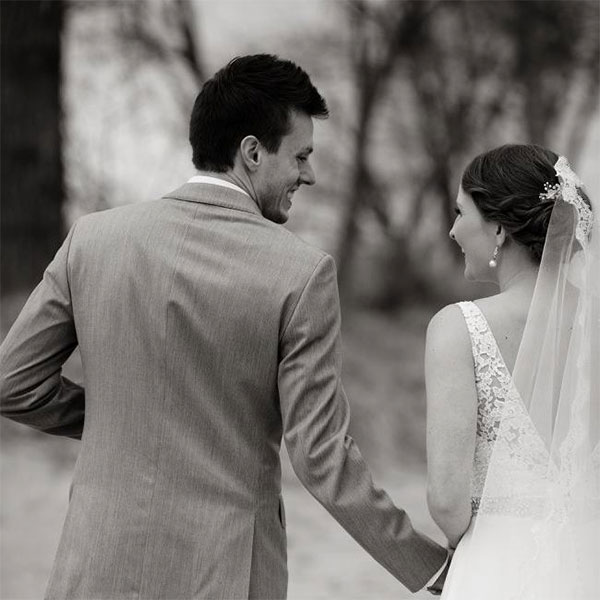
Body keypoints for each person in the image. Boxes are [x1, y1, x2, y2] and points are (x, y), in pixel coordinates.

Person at [0, 54, 447, 599]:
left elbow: (12, 384)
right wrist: (432, 570)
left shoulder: (91, 240)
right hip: (224, 576)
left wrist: (124, 420)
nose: (309, 175)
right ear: (252, 152)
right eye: (301, 156)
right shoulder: (301, 273)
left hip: (93, 568)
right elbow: (321, 457)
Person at [425, 144, 598, 599]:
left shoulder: (459, 329)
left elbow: (447, 501)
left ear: (499, 228)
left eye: (460, 213)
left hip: (499, 567)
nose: (452, 230)